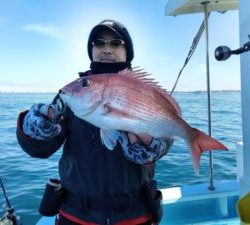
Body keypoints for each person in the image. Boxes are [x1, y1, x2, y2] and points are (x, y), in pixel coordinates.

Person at [16, 19, 173, 225]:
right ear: (91, 50)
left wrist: (154, 147)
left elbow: (166, 134)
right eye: (99, 43)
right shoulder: (75, 92)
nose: (106, 49)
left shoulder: (144, 91)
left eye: (115, 43)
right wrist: (34, 129)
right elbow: (39, 150)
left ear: (128, 52)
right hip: (76, 216)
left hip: (135, 216)